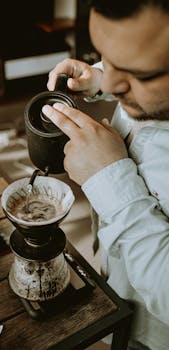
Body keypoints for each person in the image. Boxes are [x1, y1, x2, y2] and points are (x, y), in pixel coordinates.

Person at [44, 1, 169, 349]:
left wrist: (109, 179)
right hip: (119, 287)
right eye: (104, 54)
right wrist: (99, 74)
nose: (114, 85)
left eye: (141, 74)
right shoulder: (124, 79)